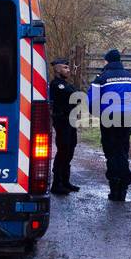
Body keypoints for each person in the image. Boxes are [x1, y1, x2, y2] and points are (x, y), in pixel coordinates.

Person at [88, 49, 131, 202]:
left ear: (108, 61)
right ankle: (123, 188)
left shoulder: (101, 78)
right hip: (126, 118)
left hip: (108, 118)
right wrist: (130, 110)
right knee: (123, 151)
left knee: (111, 152)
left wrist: (99, 113)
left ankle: (114, 188)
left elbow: (92, 100)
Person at [48, 57, 80, 196]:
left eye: (68, 68)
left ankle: (65, 181)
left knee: (70, 149)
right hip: (62, 120)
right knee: (63, 150)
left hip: (70, 120)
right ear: (57, 69)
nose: (68, 70)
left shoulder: (66, 84)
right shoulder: (56, 85)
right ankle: (57, 183)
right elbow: (74, 95)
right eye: (65, 68)